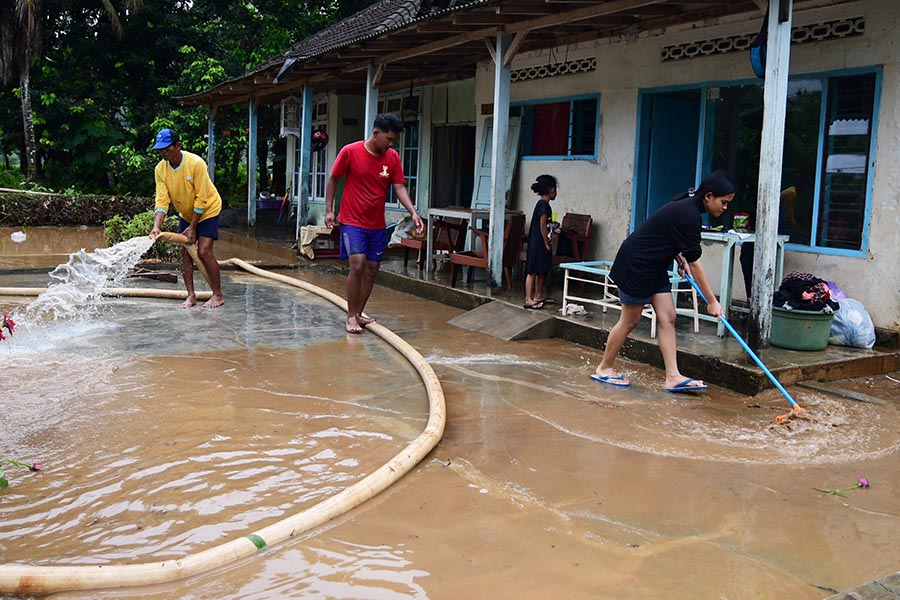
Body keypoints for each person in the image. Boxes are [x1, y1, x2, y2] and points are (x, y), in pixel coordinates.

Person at [592, 170, 732, 392]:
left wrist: (679, 257)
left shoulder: (688, 207)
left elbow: (667, 233)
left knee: (668, 316)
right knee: (631, 320)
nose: (725, 208)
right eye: (723, 202)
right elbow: (696, 264)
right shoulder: (689, 215)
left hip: (655, 265)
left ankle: (673, 376)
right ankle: (604, 368)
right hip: (636, 265)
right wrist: (712, 301)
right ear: (709, 196)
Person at [325, 113, 424, 334]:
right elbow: (333, 178)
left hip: (377, 224)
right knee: (358, 265)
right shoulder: (350, 152)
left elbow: (399, 187)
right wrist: (330, 210)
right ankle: (350, 316)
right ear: (376, 133)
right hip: (352, 221)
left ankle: (359, 313)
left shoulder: (393, 158)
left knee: (371, 269)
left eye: (393, 141)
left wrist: (413, 212)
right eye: (388, 139)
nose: (390, 144)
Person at [148, 128, 225, 309]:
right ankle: (191, 296)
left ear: (178, 146)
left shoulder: (196, 163)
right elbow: (162, 200)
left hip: (207, 209)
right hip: (187, 213)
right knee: (185, 253)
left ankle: (218, 295)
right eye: (160, 150)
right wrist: (156, 227)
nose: (163, 153)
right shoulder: (160, 169)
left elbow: (201, 198)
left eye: (167, 148)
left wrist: (192, 228)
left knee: (204, 251)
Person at [523, 174, 557, 309]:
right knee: (532, 271)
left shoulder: (544, 205)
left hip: (541, 242)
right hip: (539, 243)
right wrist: (546, 243)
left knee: (542, 270)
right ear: (551, 189)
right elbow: (542, 225)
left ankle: (539, 295)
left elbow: (546, 224)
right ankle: (528, 298)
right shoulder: (543, 205)